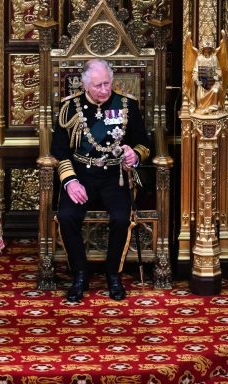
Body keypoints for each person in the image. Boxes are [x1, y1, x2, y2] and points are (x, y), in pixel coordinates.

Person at [51, 58, 152, 303]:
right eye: (98, 86)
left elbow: (144, 143)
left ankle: (113, 275)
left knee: (120, 217)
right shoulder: (70, 109)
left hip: (115, 176)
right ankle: (80, 275)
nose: (105, 90)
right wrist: (70, 182)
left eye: (108, 83)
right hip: (81, 176)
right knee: (67, 216)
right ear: (85, 84)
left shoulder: (128, 105)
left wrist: (134, 155)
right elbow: (59, 150)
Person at [192, 42, 222, 114]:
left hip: (213, 81)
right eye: (205, 49)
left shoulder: (214, 58)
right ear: (203, 49)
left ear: (210, 49)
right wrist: (196, 80)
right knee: (201, 94)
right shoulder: (199, 58)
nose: (207, 50)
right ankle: (202, 107)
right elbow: (195, 72)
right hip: (202, 82)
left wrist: (217, 76)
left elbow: (218, 70)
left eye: (208, 49)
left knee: (216, 90)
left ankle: (213, 108)